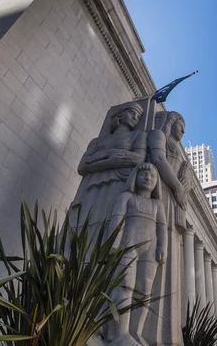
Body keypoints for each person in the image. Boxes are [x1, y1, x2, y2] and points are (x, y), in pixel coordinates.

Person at [105, 163, 167, 346]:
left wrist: (162, 247)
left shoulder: (157, 204)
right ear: (134, 177)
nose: (148, 177)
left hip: (150, 249)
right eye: (144, 173)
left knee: (145, 289)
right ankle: (119, 333)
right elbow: (117, 220)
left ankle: (135, 332)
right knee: (125, 286)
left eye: (152, 175)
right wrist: (113, 244)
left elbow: (162, 228)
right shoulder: (126, 197)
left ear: (156, 183)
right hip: (128, 245)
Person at [69, 101, 147, 229]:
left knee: (108, 219)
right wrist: (109, 159)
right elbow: (82, 166)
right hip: (91, 184)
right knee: (82, 221)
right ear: (120, 115)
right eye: (132, 113)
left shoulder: (138, 135)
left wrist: (98, 157)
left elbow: (139, 158)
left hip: (118, 181)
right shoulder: (97, 141)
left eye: (138, 117)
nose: (135, 118)